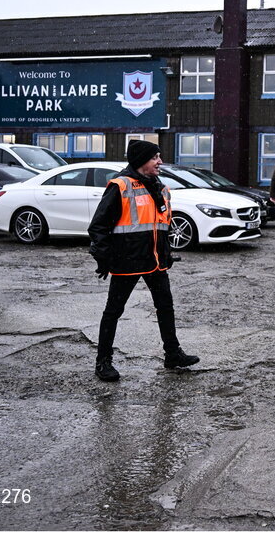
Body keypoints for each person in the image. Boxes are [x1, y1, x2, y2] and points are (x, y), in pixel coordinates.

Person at [89, 140, 200, 382]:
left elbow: (162, 226)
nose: (160, 162)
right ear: (141, 161)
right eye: (155, 158)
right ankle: (103, 362)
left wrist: (167, 252)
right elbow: (98, 227)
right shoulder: (120, 186)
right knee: (113, 312)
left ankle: (172, 354)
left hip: (156, 262)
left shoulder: (161, 188)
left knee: (166, 308)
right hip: (126, 262)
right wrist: (104, 258)